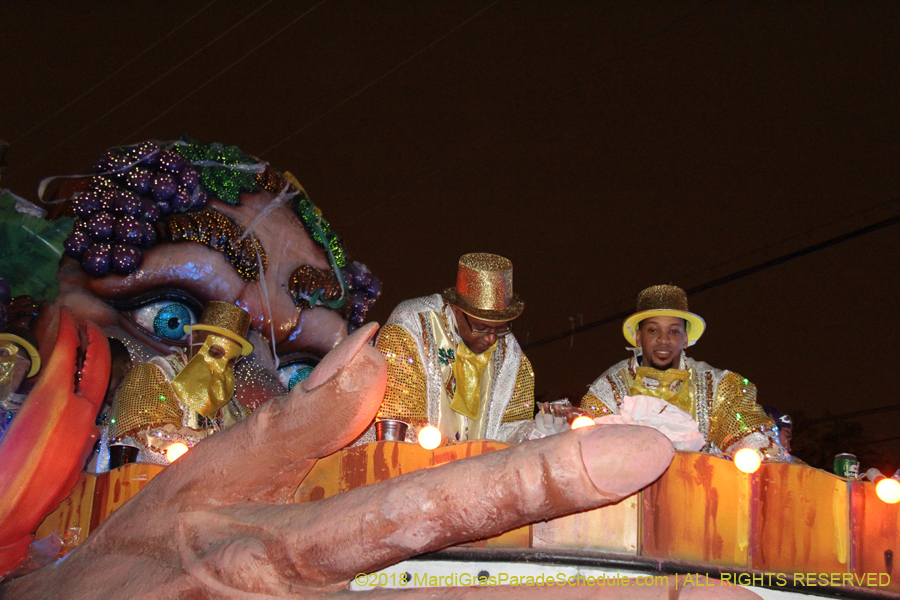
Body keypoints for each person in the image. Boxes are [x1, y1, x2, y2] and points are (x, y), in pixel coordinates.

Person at [580, 284, 785, 456]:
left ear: (686, 339)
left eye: (674, 331)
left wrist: (752, 449)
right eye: (653, 330)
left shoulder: (720, 386)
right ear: (639, 337)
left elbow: (755, 438)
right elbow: (588, 447)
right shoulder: (606, 390)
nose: (663, 340)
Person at [373, 253, 534, 443]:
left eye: (500, 328)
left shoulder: (511, 353)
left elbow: (512, 428)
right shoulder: (410, 327)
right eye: (481, 328)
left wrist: (540, 430)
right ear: (456, 309)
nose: (492, 339)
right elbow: (397, 420)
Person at [108, 301, 253, 464]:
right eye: (214, 353)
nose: (220, 366)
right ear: (193, 338)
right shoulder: (154, 374)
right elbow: (141, 438)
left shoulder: (234, 407)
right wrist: (215, 442)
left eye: (230, 361)